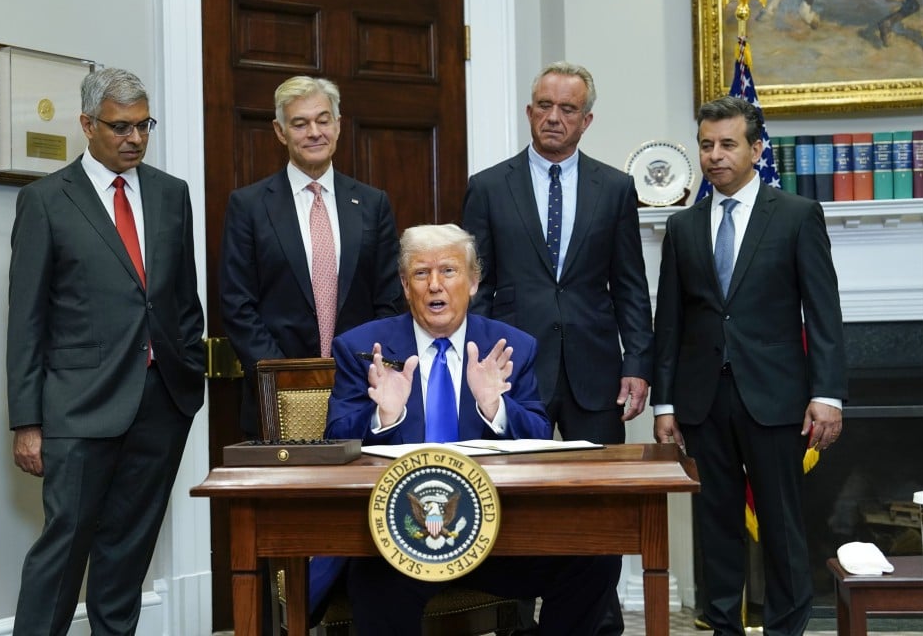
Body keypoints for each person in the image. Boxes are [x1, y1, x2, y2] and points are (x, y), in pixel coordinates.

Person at [324, 223, 619, 636]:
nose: (434, 286)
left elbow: (538, 435)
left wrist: (496, 406)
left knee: (596, 557)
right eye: (421, 274)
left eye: (448, 271)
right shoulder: (364, 346)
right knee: (376, 583)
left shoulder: (509, 345)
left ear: (474, 281)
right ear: (406, 287)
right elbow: (334, 438)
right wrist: (384, 417)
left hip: (496, 533)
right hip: (398, 536)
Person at [7, 67, 206, 635]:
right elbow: (26, 319)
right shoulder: (46, 201)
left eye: (144, 125)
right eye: (121, 127)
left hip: (160, 401)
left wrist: (187, 374)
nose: (135, 139)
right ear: (87, 125)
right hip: (78, 406)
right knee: (63, 551)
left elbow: (180, 298)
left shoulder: (172, 195)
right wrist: (27, 420)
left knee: (126, 555)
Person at [462, 60, 653, 633]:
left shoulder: (615, 188)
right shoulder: (489, 186)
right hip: (511, 373)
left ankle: (602, 618)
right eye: (544, 105)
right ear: (529, 111)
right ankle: (518, 614)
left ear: (587, 119)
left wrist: (637, 364)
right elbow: (475, 286)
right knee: (511, 496)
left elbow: (630, 285)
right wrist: (481, 367)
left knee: (602, 498)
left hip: (596, 368)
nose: (553, 117)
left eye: (567, 109)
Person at [652, 96, 846, 636]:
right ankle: (722, 626)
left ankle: (787, 628)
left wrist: (827, 394)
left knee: (781, 525)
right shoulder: (684, 226)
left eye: (728, 144)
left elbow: (823, 312)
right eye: (707, 145)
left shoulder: (797, 215)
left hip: (777, 398)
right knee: (715, 524)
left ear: (756, 150)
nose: (715, 155)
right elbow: (668, 321)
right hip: (701, 399)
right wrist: (664, 403)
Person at [220, 75, 405, 437]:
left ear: (338, 125)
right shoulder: (249, 206)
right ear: (279, 131)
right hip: (274, 392)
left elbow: (389, 300)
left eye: (323, 120)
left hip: (363, 389)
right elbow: (237, 303)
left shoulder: (372, 203)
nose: (314, 132)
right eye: (300, 123)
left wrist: (363, 366)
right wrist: (282, 374)